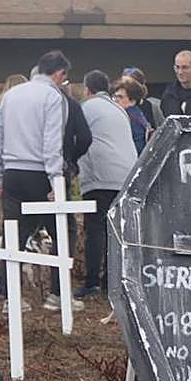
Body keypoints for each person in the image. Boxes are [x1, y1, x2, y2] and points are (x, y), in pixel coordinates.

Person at [0, 50, 84, 314]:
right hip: (40, 172)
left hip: (13, 171)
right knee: (63, 232)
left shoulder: (11, 95)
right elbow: (52, 143)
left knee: (14, 234)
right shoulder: (53, 97)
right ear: (60, 73)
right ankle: (58, 293)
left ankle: (11, 296)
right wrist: (56, 181)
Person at [75, 76, 139, 298]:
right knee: (115, 231)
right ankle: (111, 283)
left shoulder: (88, 107)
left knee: (95, 229)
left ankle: (92, 282)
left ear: (88, 89)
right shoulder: (118, 109)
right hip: (125, 176)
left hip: (100, 176)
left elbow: (77, 137)